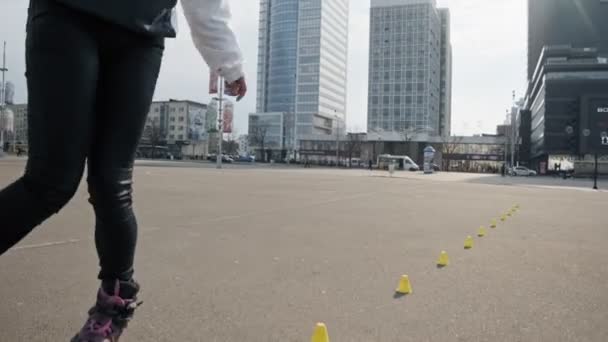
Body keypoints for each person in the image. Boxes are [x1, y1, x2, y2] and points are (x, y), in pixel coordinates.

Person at [0, 0, 246, 341]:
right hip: (68, 14)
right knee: (50, 180)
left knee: (112, 184)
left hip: (141, 34)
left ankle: (113, 305)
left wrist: (227, 61)